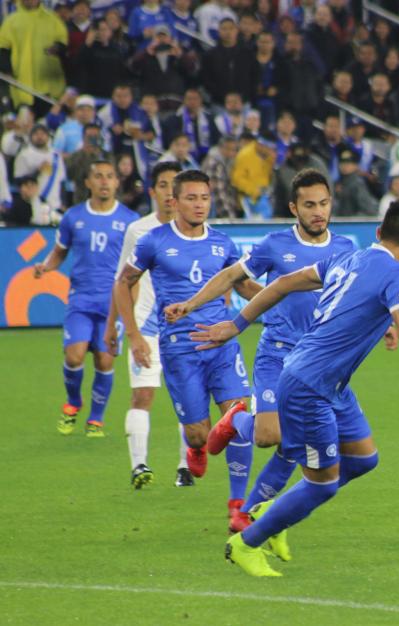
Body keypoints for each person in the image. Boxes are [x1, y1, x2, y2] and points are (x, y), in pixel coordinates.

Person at [190, 200, 399, 576]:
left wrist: (236, 325)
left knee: (364, 458)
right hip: (309, 386)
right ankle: (245, 543)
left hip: (329, 383)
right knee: (321, 485)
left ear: (379, 233)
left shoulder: (349, 258)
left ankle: (278, 509)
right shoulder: (396, 274)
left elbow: (284, 283)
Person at [163, 169, 357, 525]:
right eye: (309, 205)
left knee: (295, 443)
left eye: (324, 204)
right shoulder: (274, 245)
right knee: (268, 436)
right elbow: (230, 276)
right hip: (278, 353)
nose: (318, 212)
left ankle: (248, 513)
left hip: (320, 363)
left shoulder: (346, 248)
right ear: (293, 207)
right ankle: (236, 419)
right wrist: (191, 304)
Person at [112, 170, 259, 531]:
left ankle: (238, 504)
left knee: (239, 417)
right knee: (199, 435)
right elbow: (123, 284)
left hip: (222, 342)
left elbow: (244, 287)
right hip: (180, 349)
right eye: (191, 198)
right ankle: (194, 447)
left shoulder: (223, 243)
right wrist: (133, 335)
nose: (199, 205)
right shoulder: (153, 241)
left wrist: (284, 299)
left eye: (205, 198)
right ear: (174, 202)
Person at [102, 161, 193, 488]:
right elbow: (121, 281)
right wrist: (113, 326)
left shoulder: (196, 230)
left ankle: (184, 468)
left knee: (189, 399)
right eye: (164, 185)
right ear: (153, 191)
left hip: (184, 329)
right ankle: (139, 466)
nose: (170, 193)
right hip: (145, 329)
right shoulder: (139, 231)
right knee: (142, 396)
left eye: (175, 186)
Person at [33, 160, 139, 437]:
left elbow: (137, 265)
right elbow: (59, 251)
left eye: (110, 176)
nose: (104, 181)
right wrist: (46, 266)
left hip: (112, 303)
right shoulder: (73, 217)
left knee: (105, 361)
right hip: (80, 299)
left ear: (118, 182)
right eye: (98, 176)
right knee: (74, 355)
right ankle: (73, 402)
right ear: (88, 183)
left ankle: (96, 419)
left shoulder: (129, 220)